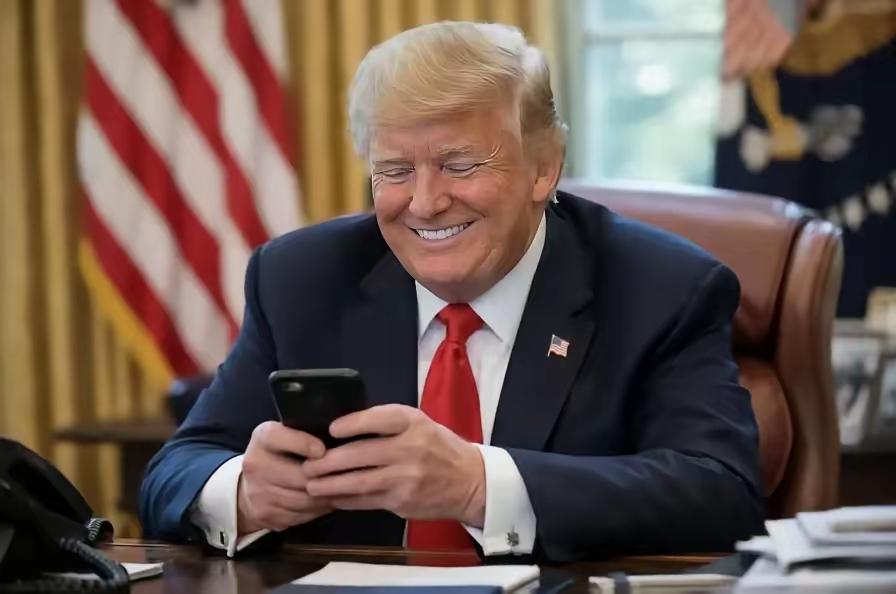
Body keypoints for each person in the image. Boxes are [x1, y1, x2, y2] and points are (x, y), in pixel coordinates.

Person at [140, 21, 764, 562]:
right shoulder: (302, 277)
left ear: (544, 168)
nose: (425, 202)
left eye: (460, 166)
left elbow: (721, 493)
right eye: (394, 170)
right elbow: (175, 470)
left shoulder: (661, 288)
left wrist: (478, 486)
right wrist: (244, 492)